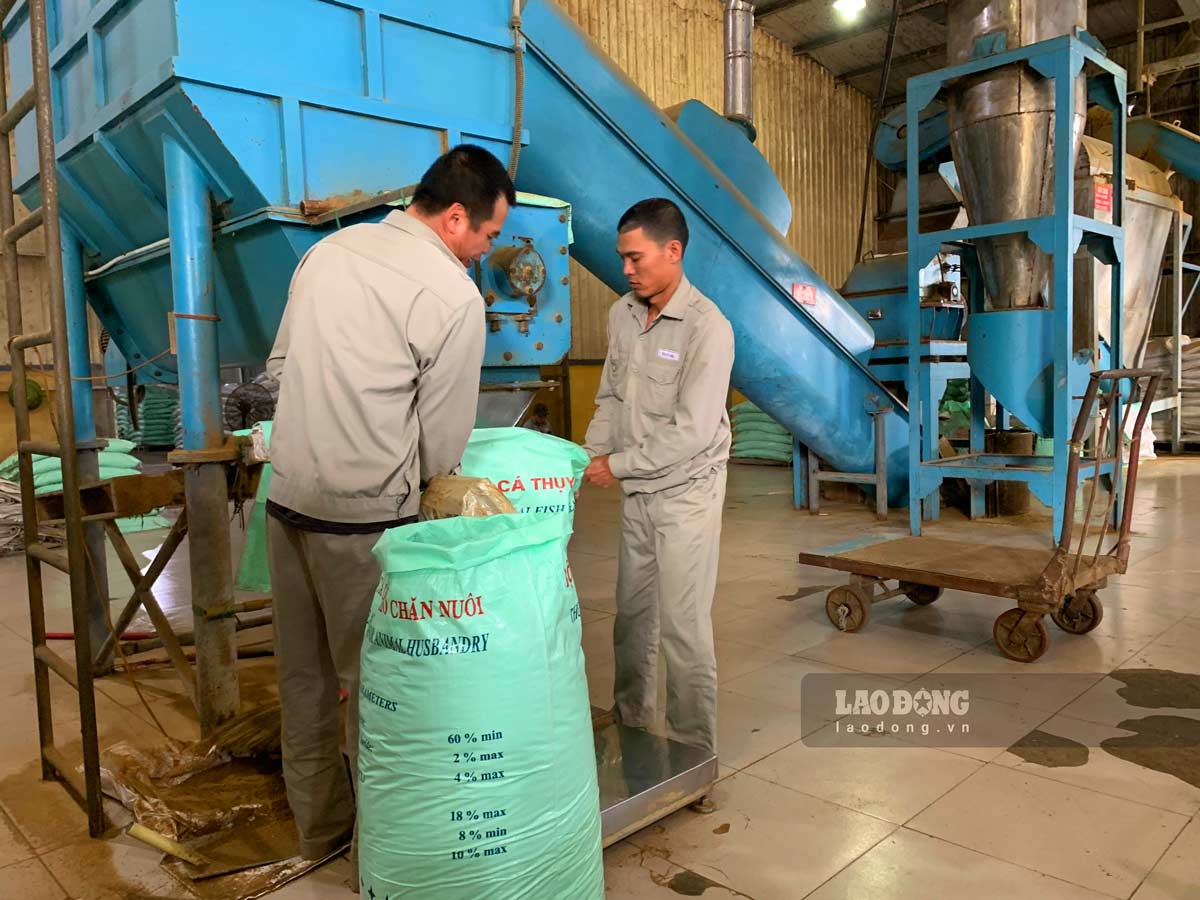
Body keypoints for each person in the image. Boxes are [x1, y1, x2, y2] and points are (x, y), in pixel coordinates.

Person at [265, 145, 515, 861]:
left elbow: (279, 370)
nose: (486, 254)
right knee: (378, 697)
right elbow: (442, 450)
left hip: (285, 505)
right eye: (490, 237)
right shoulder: (452, 297)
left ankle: (319, 835)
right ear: (457, 218)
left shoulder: (327, 253)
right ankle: (384, 859)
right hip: (363, 523)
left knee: (303, 681)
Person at [583, 198, 735, 758]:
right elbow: (611, 396)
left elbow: (692, 431)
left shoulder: (707, 328)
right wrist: (587, 456)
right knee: (632, 619)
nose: (626, 269)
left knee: (682, 628)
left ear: (673, 252)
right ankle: (634, 729)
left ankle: (695, 753)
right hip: (640, 493)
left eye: (635, 257)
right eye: (623, 258)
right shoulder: (622, 314)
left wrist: (615, 466)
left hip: (687, 493)